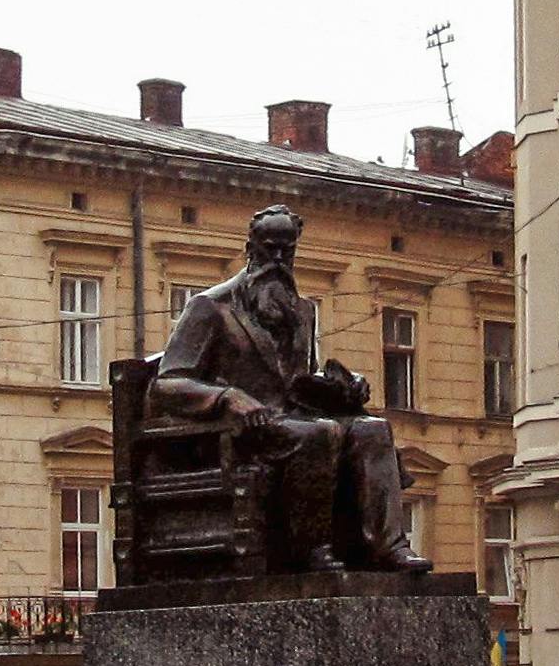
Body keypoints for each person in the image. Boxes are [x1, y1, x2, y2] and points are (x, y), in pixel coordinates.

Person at [145, 205, 426, 572]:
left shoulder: (302, 311)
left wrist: (341, 389)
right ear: (250, 248)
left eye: (286, 250)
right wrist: (228, 397)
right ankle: (309, 551)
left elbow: (296, 384)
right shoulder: (210, 308)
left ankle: (388, 547)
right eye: (268, 248)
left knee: (371, 429)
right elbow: (165, 385)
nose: (277, 259)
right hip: (232, 436)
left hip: (290, 424)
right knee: (320, 433)